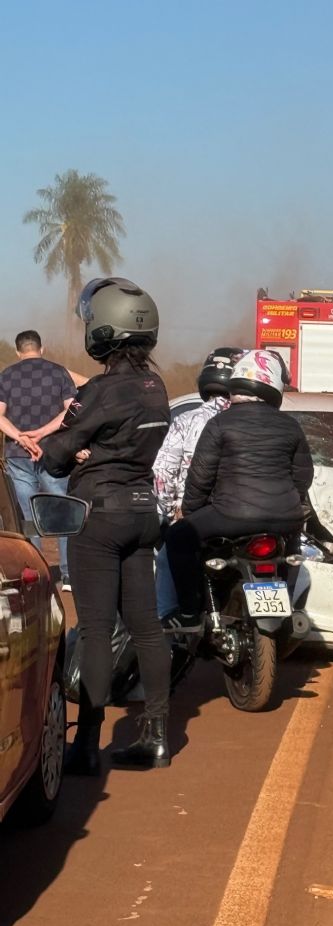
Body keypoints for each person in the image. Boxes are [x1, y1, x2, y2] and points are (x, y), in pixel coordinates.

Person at [42, 277, 172, 773]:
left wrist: (76, 451)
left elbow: (55, 457)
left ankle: (87, 746)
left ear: (103, 331)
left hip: (99, 516)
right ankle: (157, 738)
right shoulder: (157, 388)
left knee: (96, 629)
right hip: (143, 513)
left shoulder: (99, 390)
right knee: (146, 627)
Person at [164, 349, 314, 631]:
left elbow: (200, 478)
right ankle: (288, 604)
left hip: (230, 515)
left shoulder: (219, 423)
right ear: (273, 388)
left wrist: (192, 515)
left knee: (177, 537)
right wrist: (288, 503)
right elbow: (303, 477)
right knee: (292, 548)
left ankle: (189, 613)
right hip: (286, 517)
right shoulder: (291, 426)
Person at [153, 347, 245, 620]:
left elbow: (162, 475)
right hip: (245, 519)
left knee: (165, 564)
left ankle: (171, 627)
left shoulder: (186, 421)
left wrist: (169, 514)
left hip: (191, 519)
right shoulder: (253, 421)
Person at [0, 330, 77, 589]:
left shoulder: (6, 376)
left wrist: (21, 438)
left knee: (28, 516)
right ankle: (68, 574)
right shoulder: (59, 372)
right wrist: (43, 433)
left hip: (19, 455)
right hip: (54, 453)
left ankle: (36, 574)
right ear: (41, 349)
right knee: (62, 511)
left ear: (18, 352)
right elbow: (72, 410)